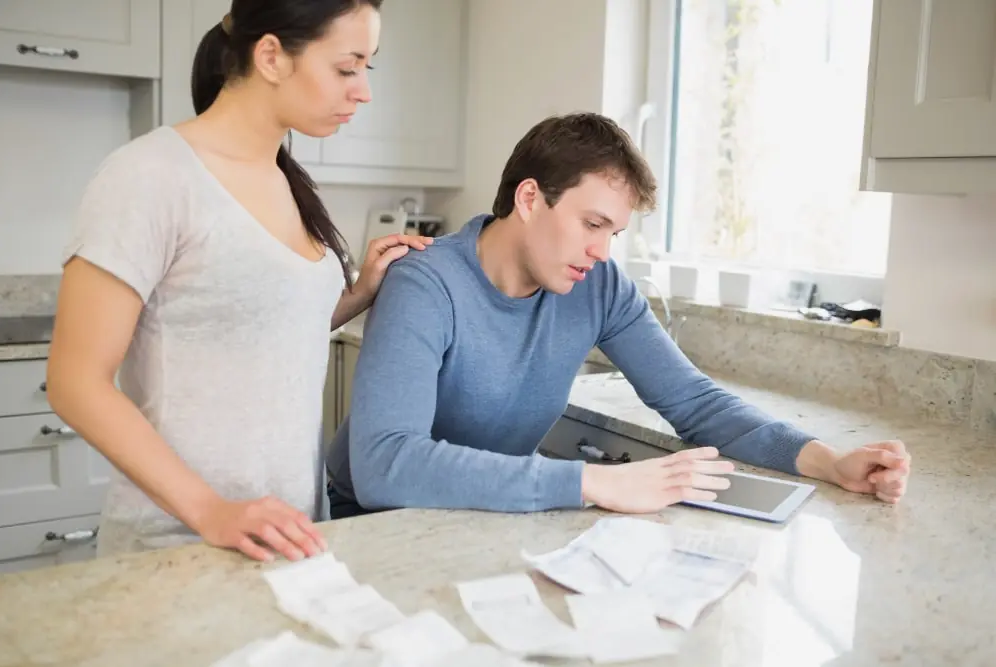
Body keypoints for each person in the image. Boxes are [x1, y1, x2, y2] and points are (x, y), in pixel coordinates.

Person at [325, 112, 912, 518]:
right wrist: (592, 483)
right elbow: (385, 466)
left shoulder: (597, 286)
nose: (603, 252)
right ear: (529, 199)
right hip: (370, 527)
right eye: (592, 224)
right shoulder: (425, 282)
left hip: (485, 517)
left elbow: (697, 404)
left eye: (615, 232)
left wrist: (830, 461)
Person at [45, 0, 431, 563]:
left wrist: (359, 292)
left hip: (291, 534)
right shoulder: (149, 176)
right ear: (271, 55)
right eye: (347, 68)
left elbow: (258, 335)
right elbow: (75, 382)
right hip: (179, 546)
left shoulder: (288, 182)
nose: (362, 91)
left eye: (365, 70)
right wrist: (212, 511)